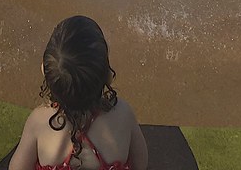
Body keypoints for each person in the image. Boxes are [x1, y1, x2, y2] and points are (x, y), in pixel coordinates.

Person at [8, 15, 148, 170]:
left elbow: (17, 168)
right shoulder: (123, 114)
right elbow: (141, 164)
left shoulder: (39, 122)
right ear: (107, 76)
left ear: (45, 71)